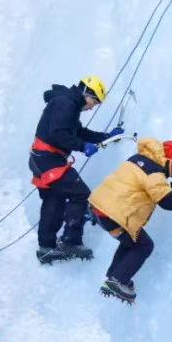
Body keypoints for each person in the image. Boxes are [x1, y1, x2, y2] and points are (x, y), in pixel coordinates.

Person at [89, 138, 172, 303]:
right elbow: (169, 203)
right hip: (113, 214)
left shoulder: (138, 160)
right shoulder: (155, 173)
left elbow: (145, 188)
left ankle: (114, 276)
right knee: (144, 246)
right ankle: (117, 280)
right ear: (171, 165)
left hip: (99, 207)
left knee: (132, 240)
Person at [30, 76, 124, 264]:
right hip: (49, 160)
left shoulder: (67, 104)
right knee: (80, 194)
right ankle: (71, 240)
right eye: (94, 102)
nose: (92, 107)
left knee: (53, 200)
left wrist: (106, 137)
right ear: (87, 93)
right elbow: (58, 135)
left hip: (43, 159)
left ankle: (46, 247)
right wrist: (83, 147)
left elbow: (79, 132)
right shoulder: (65, 104)